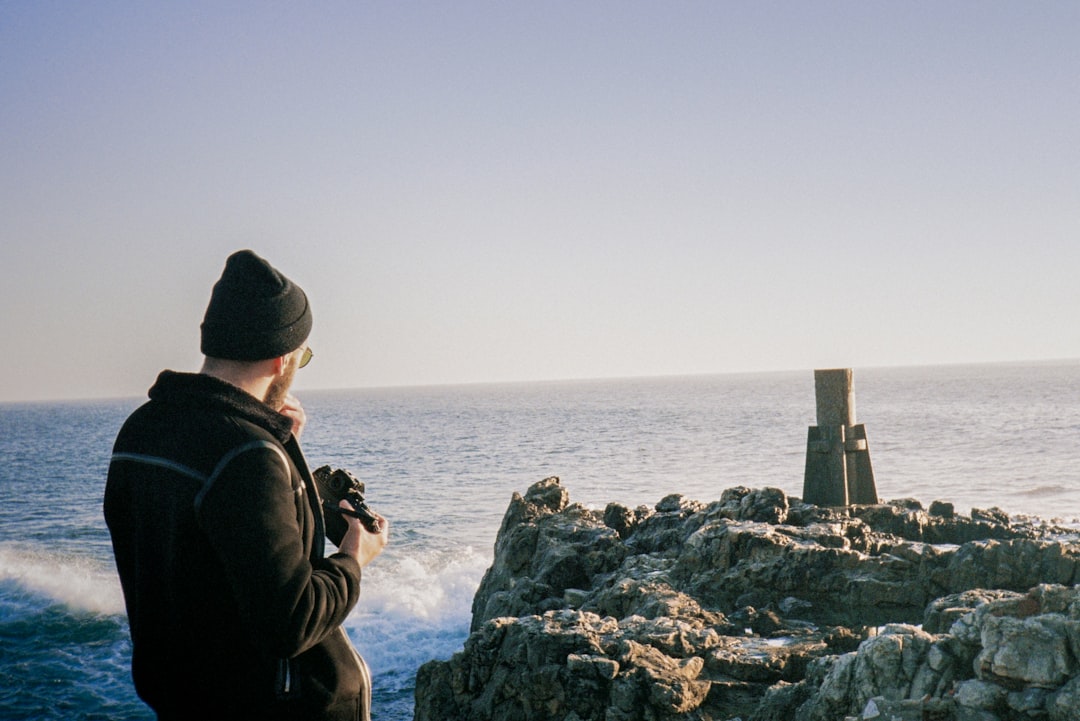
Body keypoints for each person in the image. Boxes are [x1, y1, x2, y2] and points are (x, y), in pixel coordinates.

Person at [104, 249, 388, 720]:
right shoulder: (247, 458)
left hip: (186, 699)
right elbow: (291, 623)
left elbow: (209, 555)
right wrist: (355, 557)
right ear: (282, 359)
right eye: (304, 356)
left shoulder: (142, 430)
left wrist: (282, 445)